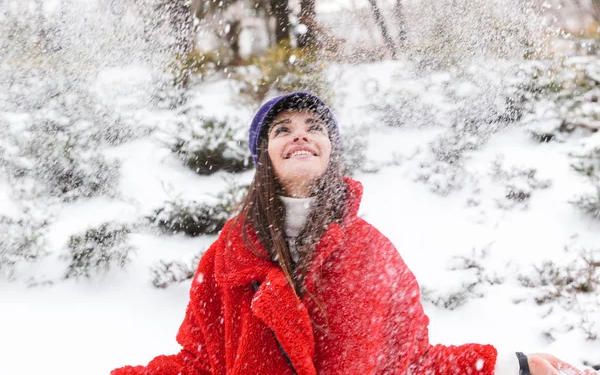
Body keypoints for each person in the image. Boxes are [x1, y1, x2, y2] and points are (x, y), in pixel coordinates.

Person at [112, 92, 594, 375]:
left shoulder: (373, 251)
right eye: (281, 128)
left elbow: (408, 364)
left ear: (329, 149)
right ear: (264, 158)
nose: (299, 134)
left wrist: (515, 365)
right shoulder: (227, 255)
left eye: (313, 126)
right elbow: (200, 364)